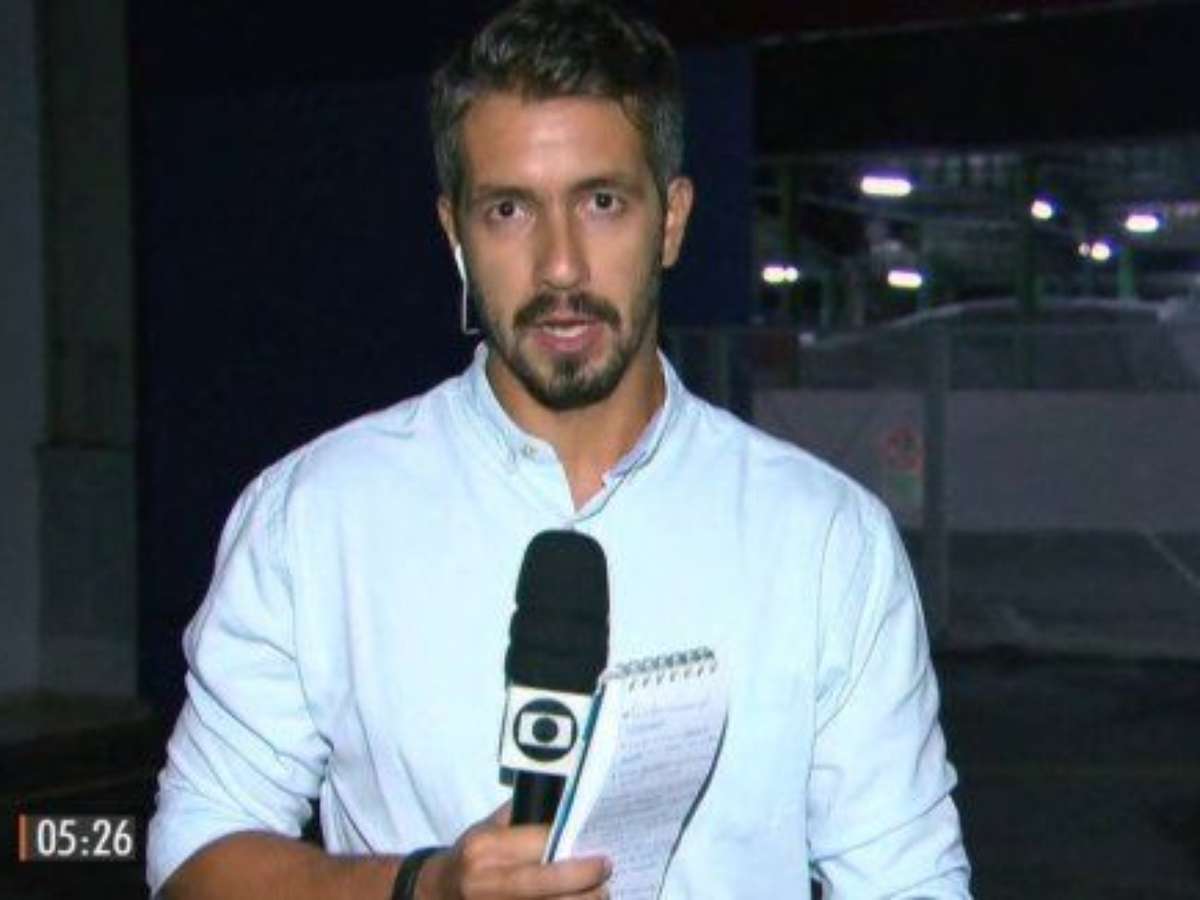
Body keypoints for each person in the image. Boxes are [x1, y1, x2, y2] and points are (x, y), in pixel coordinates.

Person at [146, 0, 972, 897]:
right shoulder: (313, 518)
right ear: (455, 234)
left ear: (672, 220)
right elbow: (193, 858)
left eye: (602, 202)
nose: (562, 267)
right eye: (509, 210)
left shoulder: (827, 542)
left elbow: (909, 882)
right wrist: (423, 887)